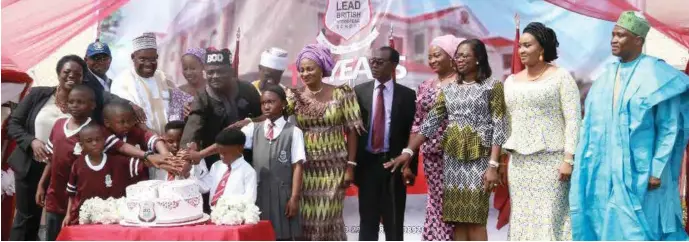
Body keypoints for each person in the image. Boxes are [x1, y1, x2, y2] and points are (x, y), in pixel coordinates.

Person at [570, 11, 689, 241]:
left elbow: (669, 128)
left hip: (641, 172)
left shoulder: (658, 75)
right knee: (604, 222)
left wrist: (656, 170)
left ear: (638, 40)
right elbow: (589, 125)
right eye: (613, 35)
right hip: (604, 169)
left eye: (621, 35)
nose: (614, 40)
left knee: (643, 228)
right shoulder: (605, 78)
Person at [391, 39, 507, 241]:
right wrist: (408, 151)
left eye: (465, 55)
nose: (459, 59)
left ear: (478, 58)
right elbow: (430, 122)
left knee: (476, 219)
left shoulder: (492, 86)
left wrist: (493, 165)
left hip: (479, 160)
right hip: (452, 161)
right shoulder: (450, 88)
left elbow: (500, 126)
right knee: (458, 219)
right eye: (458, 55)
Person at [502, 22, 581, 240]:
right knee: (522, 218)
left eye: (527, 45)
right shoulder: (510, 82)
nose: (522, 51)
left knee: (549, 219)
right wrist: (500, 159)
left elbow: (574, 119)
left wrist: (569, 159)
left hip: (552, 163)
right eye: (520, 46)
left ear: (542, 48)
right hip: (519, 164)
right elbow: (507, 121)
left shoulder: (561, 77)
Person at [7, 55, 85, 241]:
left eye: (77, 74)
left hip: (62, 172)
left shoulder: (83, 103)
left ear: (83, 78)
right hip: (31, 166)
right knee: (26, 219)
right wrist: (31, 141)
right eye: (67, 72)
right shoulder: (38, 94)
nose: (71, 76)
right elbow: (14, 124)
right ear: (59, 73)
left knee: (58, 221)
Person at [353, 46, 417, 241]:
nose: (374, 65)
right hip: (367, 166)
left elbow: (412, 133)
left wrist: (409, 166)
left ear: (393, 65)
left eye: (379, 62)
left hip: (394, 165)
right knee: (367, 223)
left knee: (394, 223)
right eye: (372, 61)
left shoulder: (407, 95)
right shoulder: (359, 92)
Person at [62, 124, 162, 226]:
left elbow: (145, 163)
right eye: (89, 141)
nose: (94, 143)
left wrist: (163, 159)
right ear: (82, 145)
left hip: (112, 220)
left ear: (104, 141)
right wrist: (68, 215)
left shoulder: (117, 161)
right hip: (86, 220)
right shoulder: (78, 165)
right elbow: (72, 194)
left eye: (98, 139)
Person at [240, 86, 305, 240]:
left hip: (283, 195)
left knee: (283, 235)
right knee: (261, 234)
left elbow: (298, 166)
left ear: (283, 103)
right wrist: (201, 154)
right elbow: (230, 143)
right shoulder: (253, 129)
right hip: (259, 193)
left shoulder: (293, 132)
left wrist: (294, 198)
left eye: (271, 102)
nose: (266, 106)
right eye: (263, 103)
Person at [181, 48, 262, 171]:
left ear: (231, 71)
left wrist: (251, 122)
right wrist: (185, 156)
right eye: (210, 73)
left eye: (220, 72)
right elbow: (192, 130)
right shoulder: (202, 98)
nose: (215, 77)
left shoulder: (247, 89)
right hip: (216, 164)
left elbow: (267, 117)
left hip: (249, 161)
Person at [415, 35, 462, 241]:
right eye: (430, 57)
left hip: (458, 155)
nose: (432, 60)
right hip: (431, 157)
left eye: (437, 55)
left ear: (451, 56)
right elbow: (417, 122)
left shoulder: (464, 83)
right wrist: (410, 156)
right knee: (435, 202)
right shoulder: (425, 86)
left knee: (454, 204)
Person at [111, 32, 192, 133]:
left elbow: (180, 99)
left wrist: (186, 104)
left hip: (168, 140)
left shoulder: (163, 77)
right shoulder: (122, 81)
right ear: (133, 57)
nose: (148, 64)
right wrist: (155, 140)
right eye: (143, 59)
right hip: (140, 141)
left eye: (153, 59)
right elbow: (125, 112)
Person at [102, 102, 174, 183]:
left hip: (139, 181)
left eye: (130, 121)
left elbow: (150, 137)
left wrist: (166, 154)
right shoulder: (103, 136)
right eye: (122, 122)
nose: (127, 125)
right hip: (115, 181)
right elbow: (122, 147)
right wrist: (151, 158)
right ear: (107, 123)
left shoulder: (133, 131)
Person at [197, 129, 257, 205]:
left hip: (235, 214)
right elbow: (205, 187)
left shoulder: (248, 172)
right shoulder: (216, 166)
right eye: (219, 152)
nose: (221, 156)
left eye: (225, 153)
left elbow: (250, 199)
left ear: (240, 148)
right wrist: (188, 175)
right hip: (213, 213)